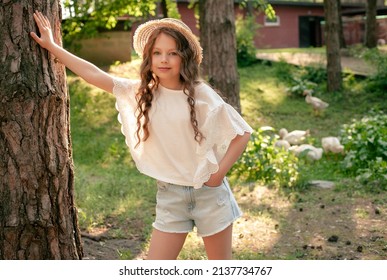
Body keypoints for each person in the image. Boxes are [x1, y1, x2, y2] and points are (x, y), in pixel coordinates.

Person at [31, 11, 253, 260]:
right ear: (149, 57)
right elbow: (94, 74)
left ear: (185, 57)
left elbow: (241, 133)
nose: (164, 59)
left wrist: (218, 174)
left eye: (172, 53)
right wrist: (52, 46)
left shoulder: (200, 94)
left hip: (210, 195)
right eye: (157, 53)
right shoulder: (141, 93)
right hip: (171, 194)